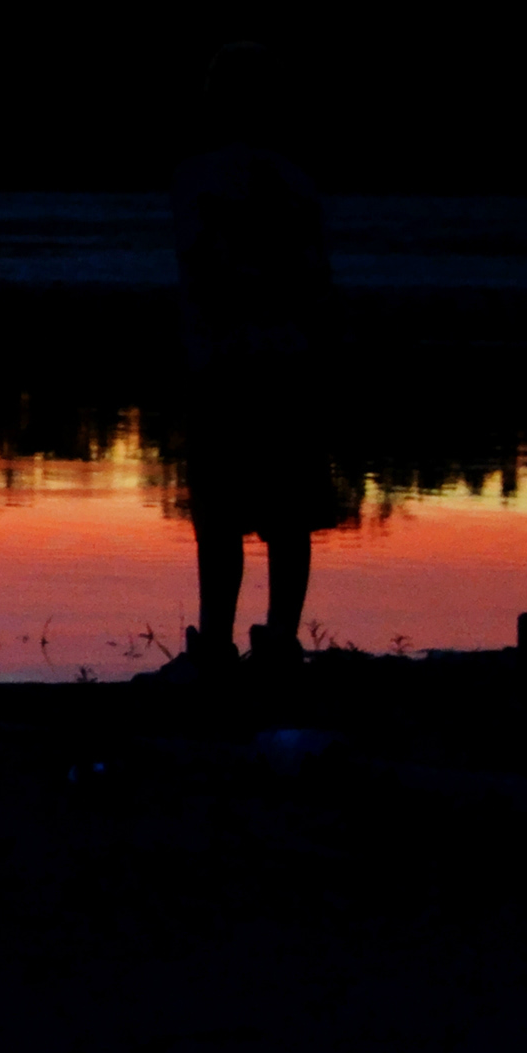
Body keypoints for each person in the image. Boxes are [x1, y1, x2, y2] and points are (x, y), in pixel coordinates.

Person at [169, 42, 347, 679]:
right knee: (286, 513)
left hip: (224, 366)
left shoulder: (196, 178)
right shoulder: (297, 182)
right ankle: (278, 641)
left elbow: (200, 268)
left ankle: (215, 644)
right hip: (290, 363)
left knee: (220, 516)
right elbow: (317, 281)